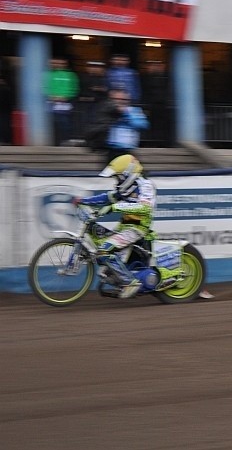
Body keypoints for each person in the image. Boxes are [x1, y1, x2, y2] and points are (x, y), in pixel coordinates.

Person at [72, 154, 158, 298]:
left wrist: (114, 208)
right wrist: (84, 200)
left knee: (104, 251)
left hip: (138, 229)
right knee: (98, 247)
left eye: (117, 177)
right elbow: (107, 197)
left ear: (127, 174)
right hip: (123, 228)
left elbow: (145, 208)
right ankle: (118, 276)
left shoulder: (146, 185)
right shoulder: (126, 188)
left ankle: (130, 283)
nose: (116, 181)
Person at [93, 89, 150, 165]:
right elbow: (98, 124)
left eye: (124, 99)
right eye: (117, 99)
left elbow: (143, 124)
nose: (121, 101)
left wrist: (126, 113)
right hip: (111, 150)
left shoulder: (134, 111)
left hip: (127, 150)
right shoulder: (106, 111)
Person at [44, 57, 79, 146]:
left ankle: (64, 140)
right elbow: (43, 87)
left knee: (64, 122)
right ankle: (52, 141)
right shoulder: (46, 75)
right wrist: (50, 96)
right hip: (50, 103)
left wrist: (66, 97)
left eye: (61, 63)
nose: (58, 65)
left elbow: (74, 88)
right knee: (50, 122)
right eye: (55, 63)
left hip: (65, 103)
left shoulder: (71, 75)